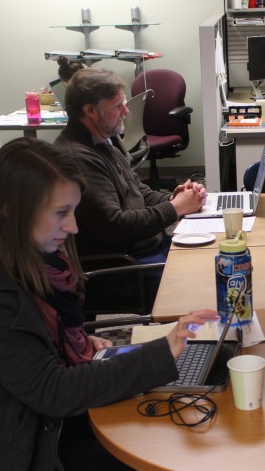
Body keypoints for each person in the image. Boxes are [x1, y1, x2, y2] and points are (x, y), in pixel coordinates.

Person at [0, 137, 219, 471]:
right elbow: (54, 392)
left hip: (38, 430)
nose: (74, 228)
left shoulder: (30, 263)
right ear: (8, 209)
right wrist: (165, 350)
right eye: (60, 213)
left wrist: (68, 345)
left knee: (174, 436)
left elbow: (35, 357)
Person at [54, 67, 206, 308]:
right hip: (122, 267)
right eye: (117, 106)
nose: (126, 112)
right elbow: (116, 225)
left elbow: (139, 192)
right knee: (203, 282)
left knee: (209, 260)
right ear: (89, 111)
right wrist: (174, 209)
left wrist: (174, 198)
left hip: (142, 252)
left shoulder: (103, 144)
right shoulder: (78, 159)